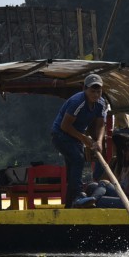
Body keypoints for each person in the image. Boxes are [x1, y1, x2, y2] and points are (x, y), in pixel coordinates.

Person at [50, 73, 108, 207]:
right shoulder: (78, 102)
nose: (95, 94)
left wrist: (98, 141)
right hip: (60, 135)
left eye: (98, 91)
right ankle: (77, 195)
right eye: (92, 91)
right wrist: (84, 139)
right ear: (85, 89)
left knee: (73, 170)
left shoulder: (101, 103)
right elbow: (65, 126)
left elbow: (100, 125)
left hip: (75, 136)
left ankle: (69, 205)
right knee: (78, 159)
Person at [76, 138, 129, 209]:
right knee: (93, 186)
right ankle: (89, 199)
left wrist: (119, 186)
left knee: (101, 199)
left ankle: (90, 200)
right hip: (127, 197)